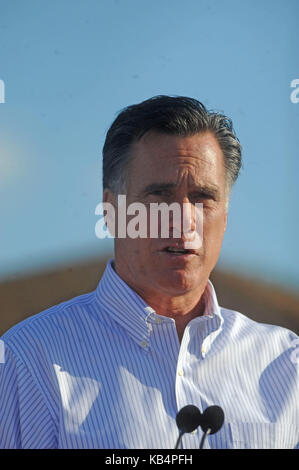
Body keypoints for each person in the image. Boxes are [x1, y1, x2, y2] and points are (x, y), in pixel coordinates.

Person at [0, 96, 298, 449]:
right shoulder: (26, 363)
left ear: (226, 216)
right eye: (160, 196)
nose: (185, 220)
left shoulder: (287, 367)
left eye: (203, 197)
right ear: (111, 212)